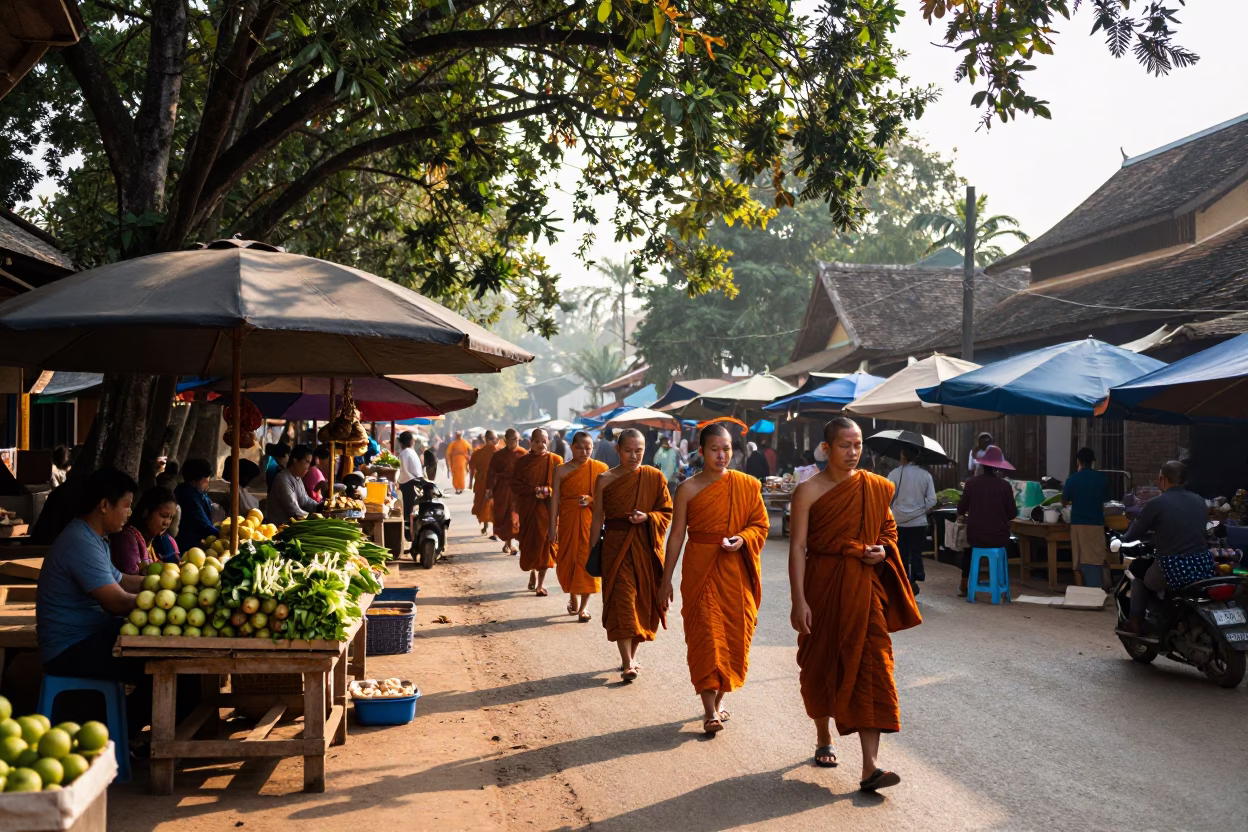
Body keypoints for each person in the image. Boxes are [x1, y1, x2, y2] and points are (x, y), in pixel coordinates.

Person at [787, 417, 921, 790]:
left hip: (864, 586)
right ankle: (824, 736)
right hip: (823, 583)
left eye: (858, 445)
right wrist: (799, 600)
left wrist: (883, 551)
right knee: (822, 663)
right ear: (827, 449)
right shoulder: (808, 491)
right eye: (845, 446)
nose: (853, 453)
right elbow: (798, 547)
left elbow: (887, 530)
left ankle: (870, 767)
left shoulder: (876, 488)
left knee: (874, 666)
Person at [659, 424, 769, 734]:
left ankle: (719, 700)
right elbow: (677, 534)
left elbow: (760, 525)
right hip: (701, 568)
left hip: (735, 570)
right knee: (706, 637)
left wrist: (743, 539)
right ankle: (709, 711)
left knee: (736, 636)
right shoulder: (688, 489)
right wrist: (666, 579)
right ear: (701, 451)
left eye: (727, 449)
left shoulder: (747, 485)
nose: (722, 455)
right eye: (714, 449)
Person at [37, 468, 150, 728]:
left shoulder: (95, 539)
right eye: (126, 506)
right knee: (160, 662)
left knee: (160, 655)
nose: (129, 514)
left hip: (90, 636)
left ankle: (119, 730)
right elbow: (116, 601)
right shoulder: (79, 541)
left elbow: (121, 579)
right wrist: (165, 601)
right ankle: (120, 731)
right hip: (70, 648)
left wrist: (168, 585)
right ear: (104, 505)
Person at [587, 429, 672, 682]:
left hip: (645, 546)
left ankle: (631, 656)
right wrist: (594, 552)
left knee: (641, 602)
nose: (634, 456)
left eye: (639, 451)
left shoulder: (654, 477)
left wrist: (648, 517)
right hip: (615, 544)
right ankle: (627, 662)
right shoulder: (604, 479)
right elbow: (597, 518)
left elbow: (666, 511)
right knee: (623, 599)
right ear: (617, 450)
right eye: (628, 450)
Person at [1120, 460, 1212, 635]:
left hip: (1173, 567)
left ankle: (1135, 622)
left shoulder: (1157, 503)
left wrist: (1123, 538)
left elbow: (1136, 531)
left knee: (1138, 573)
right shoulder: (1200, 501)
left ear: (1163, 480)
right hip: (1202, 566)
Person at [550, 431, 605, 622]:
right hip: (567, 520)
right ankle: (572, 594)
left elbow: (606, 499)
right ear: (572, 447)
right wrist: (552, 526)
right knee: (567, 560)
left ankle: (583, 608)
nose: (584, 451)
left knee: (587, 561)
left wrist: (591, 499)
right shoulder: (561, 470)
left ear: (593, 448)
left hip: (590, 522)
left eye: (588, 447)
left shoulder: (600, 469)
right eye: (580, 447)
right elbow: (555, 498)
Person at [955, 445, 1019, 596]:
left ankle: (965, 583)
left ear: (982, 465)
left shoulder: (971, 483)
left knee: (969, 551)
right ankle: (1000, 583)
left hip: (975, 536)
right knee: (1004, 549)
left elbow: (961, 510)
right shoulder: (1005, 486)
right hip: (999, 537)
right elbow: (1012, 514)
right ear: (998, 468)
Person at [511, 428, 563, 595]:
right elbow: (515, 485)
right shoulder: (522, 462)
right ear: (530, 443)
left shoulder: (555, 460)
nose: (541, 444)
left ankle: (540, 584)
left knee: (545, 544)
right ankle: (533, 572)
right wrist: (533, 490)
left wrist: (549, 491)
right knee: (530, 544)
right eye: (537, 441)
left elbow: (562, 485)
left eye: (544, 441)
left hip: (547, 510)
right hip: (528, 508)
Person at [887, 445, 937, 594]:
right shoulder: (925, 475)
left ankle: (901, 582)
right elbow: (932, 500)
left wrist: (895, 509)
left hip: (898, 521)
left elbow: (886, 496)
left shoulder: (894, 474)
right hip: (919, 521)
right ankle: (914, 579)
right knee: (915, 552)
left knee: (900, 551)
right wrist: (920, 510)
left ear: (903, 455)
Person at [1062, 447, 1109, 585]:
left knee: (1078, 560)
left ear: (1078, 461)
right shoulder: (1101, 478)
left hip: (1078, 523)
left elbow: (1064, 500)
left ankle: (1081, 590)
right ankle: (1098, 588)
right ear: (1093, 462)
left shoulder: (1072, 479)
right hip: (1097, 523)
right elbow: (1106, 499)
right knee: (1097, 557)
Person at [111, 485, 180, 573]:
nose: (167, 522)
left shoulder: (152, 539)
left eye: (171, 517)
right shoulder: (127, 537)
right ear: (146, 512)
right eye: (163, 516)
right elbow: (131, 577)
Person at [487, 429, 527, 554]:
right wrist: (489, 489)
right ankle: (507, 543)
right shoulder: (498, 455)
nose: (515, 443)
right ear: (506, 440)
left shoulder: (523, 453)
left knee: (515, 515)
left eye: (517, 440)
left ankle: (511, 544)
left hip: (518, 490)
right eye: (512, 440)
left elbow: (528, 472)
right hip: (502, 489)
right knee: (503, 516)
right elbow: (491, 472)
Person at [268, 444, 322, 527]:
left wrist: (320, 507)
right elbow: (293, 509)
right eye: (307, 462)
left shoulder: (298, 478)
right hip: (279, 528)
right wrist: (316, 518)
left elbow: (305, 500)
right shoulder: (282, 479)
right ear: (295, 460)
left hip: (292, 526)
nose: (308, 467)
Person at [174, 458, 218, 553]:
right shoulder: (188, 495)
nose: (208, 481)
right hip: (189, 546)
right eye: (207, 477)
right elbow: (201, 522)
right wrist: (220, 533)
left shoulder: (194, 491)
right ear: (200, 479)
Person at [397, 431, 423, 546]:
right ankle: (411, 535)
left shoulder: (406, 453)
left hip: (410, 483)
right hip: (411, 483)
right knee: (410, 511)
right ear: (410, 441)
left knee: (409, 511)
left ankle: (411, 535)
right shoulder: (407, 453)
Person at [470, 431, 498, 536]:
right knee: (487, 504)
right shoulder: (497, 452)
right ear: (487, 439)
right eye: (493, 438)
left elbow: (472, 468)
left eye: (494, 438)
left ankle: (490, 528)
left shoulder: (479, 453)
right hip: (487, 481)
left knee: (490, 504)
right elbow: (472, 468)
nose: (494, 441)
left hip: (489, 481)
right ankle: (490, 528)